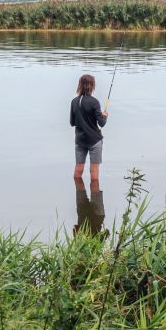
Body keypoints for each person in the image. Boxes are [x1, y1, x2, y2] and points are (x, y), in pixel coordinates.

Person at [70, 73, 108, 233]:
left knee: (78, 171)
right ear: (91, 86)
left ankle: (79, 190)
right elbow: (102, 123)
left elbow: (72, 122)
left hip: (80, 140)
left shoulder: (73, 101)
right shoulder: (94, 102)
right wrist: (105, 115)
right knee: (94, 172)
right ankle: (93, 194)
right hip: (94, 140)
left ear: (80, 85)